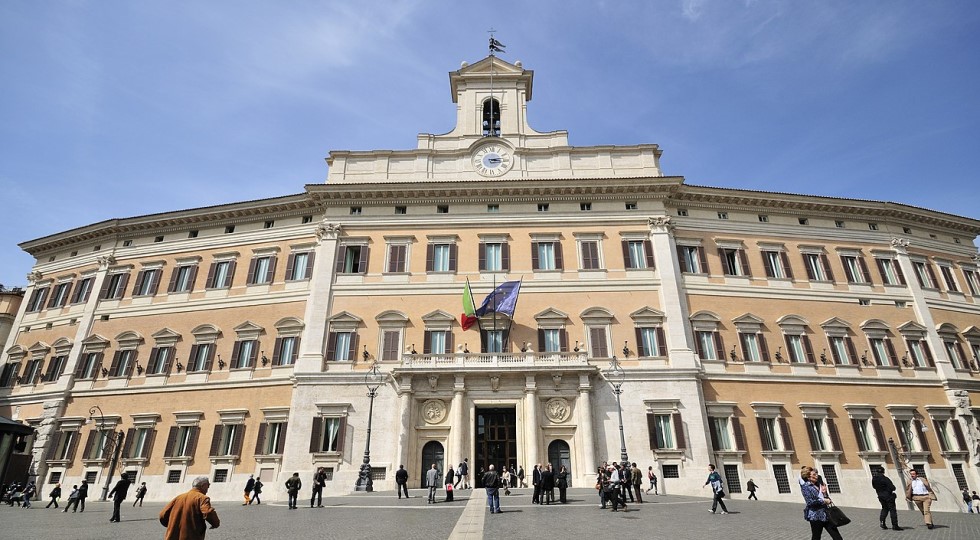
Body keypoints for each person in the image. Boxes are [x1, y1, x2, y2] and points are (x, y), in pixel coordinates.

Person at [159, 476, 220, 540]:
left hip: (173, 535)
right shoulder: (202, 498)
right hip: (191, 535)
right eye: (208, 485)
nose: (208, 487)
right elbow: (208, 512)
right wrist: (215, 524)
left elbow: (162, 514)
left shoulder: (179, 497)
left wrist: (171, 525)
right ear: (203, 485)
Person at [801, 467, 843, 540]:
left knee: (837, 537)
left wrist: (825, 493)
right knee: (816, 537)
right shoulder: (806, 487)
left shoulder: (819, 485)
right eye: (814, 474)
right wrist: (824, 501)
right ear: (808, 477)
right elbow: (810, 502)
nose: (816, 475)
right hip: (816, 516)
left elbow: (826, 497)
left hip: (827, 514)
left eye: (816, 474)